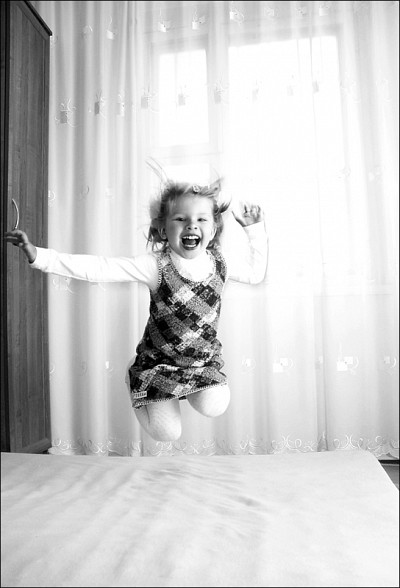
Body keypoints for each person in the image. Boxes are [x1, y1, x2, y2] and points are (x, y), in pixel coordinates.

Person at [5, 176, 268, 442]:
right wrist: (38, 255)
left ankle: (187, 388)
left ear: (213, 230)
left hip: (201, 363)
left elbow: (255, 273)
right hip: (159, 364)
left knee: (215, 406)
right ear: (163, 229)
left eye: (201, 219)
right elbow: (100, 268)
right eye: (180, 219)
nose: (191, 225)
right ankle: (136, 378)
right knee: (167, 434)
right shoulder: (156, 265)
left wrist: (254, 230)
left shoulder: (221, 264)